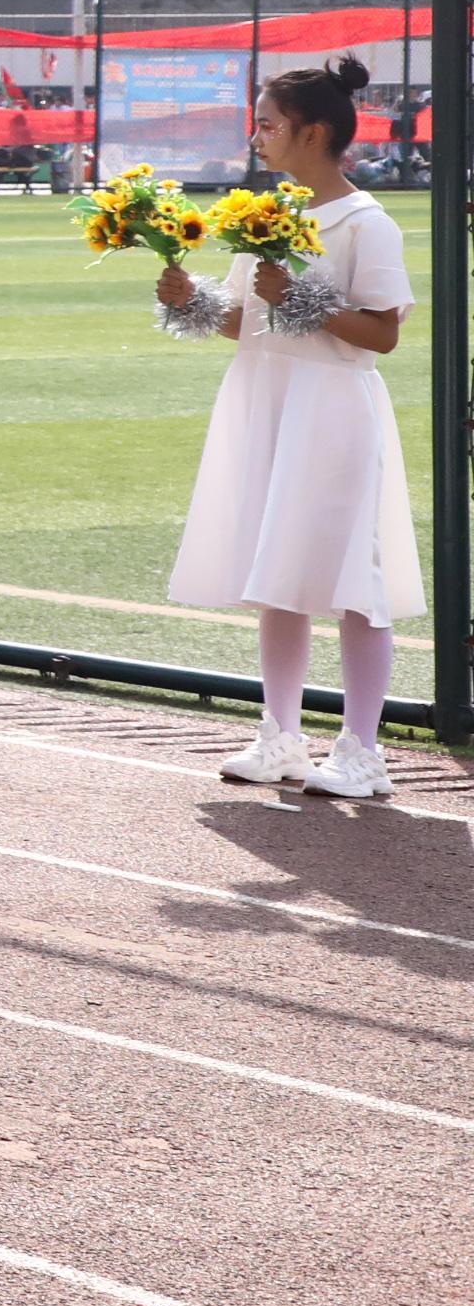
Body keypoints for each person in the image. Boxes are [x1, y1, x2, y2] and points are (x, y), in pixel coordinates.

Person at [164, 56, 421, 799]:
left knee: (353, 577)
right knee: (275, 570)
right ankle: (280, 736)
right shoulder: (267, 216)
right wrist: (189, 301)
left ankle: (362, 750)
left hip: (332, 408)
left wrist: (299, 298)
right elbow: (244, 321)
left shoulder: (366, 223)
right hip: (267, 397)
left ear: (313, 132)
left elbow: (382, 333)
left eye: (267, 124)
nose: (256, 137)